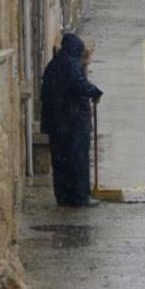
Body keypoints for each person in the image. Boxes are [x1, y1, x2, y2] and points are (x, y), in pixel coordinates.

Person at [40, 33, 104, 207]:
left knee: (60, 161)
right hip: (73, 122)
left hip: (56, 123)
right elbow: (79, 84)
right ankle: (80, 197)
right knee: (78, 160)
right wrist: (95, 92)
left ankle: (63, 197)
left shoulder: (53, 65)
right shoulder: (72, 65)